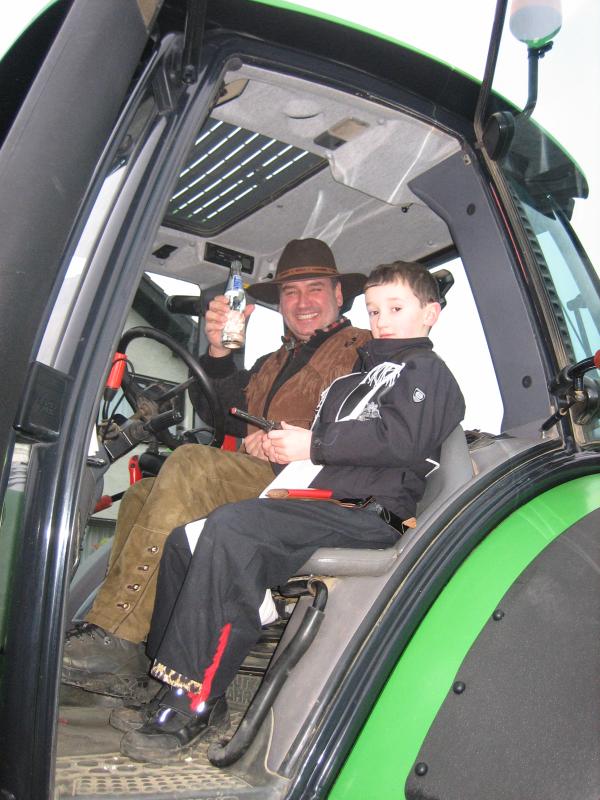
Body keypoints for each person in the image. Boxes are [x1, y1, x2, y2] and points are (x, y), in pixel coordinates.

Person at [116, 260, 466, 763]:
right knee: (186, 539)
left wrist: (313, 443)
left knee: (235, 529)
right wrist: (287, 450)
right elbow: (322, 450)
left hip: (374, 511)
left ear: (430, 314)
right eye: (374, 310)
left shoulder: (424, 371)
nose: (382, 320)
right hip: (321, 498)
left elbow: (402, 442)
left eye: (395, 308)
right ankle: (171, 678)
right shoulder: (351, 381)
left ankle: (198, 696)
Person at [62, 238, 370, 692]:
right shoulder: (273, 361)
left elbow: (371, 422)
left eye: (315, 289)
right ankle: (133, 640)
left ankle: (116, 632)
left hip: (314, 487)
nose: (302, 302)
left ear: (339, 294)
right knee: (146, 491)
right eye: (291, 292)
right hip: (265, 480)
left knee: (192, 464)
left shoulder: (364, 351)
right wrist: (219, 352)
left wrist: (296, 442)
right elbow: (222, 413)